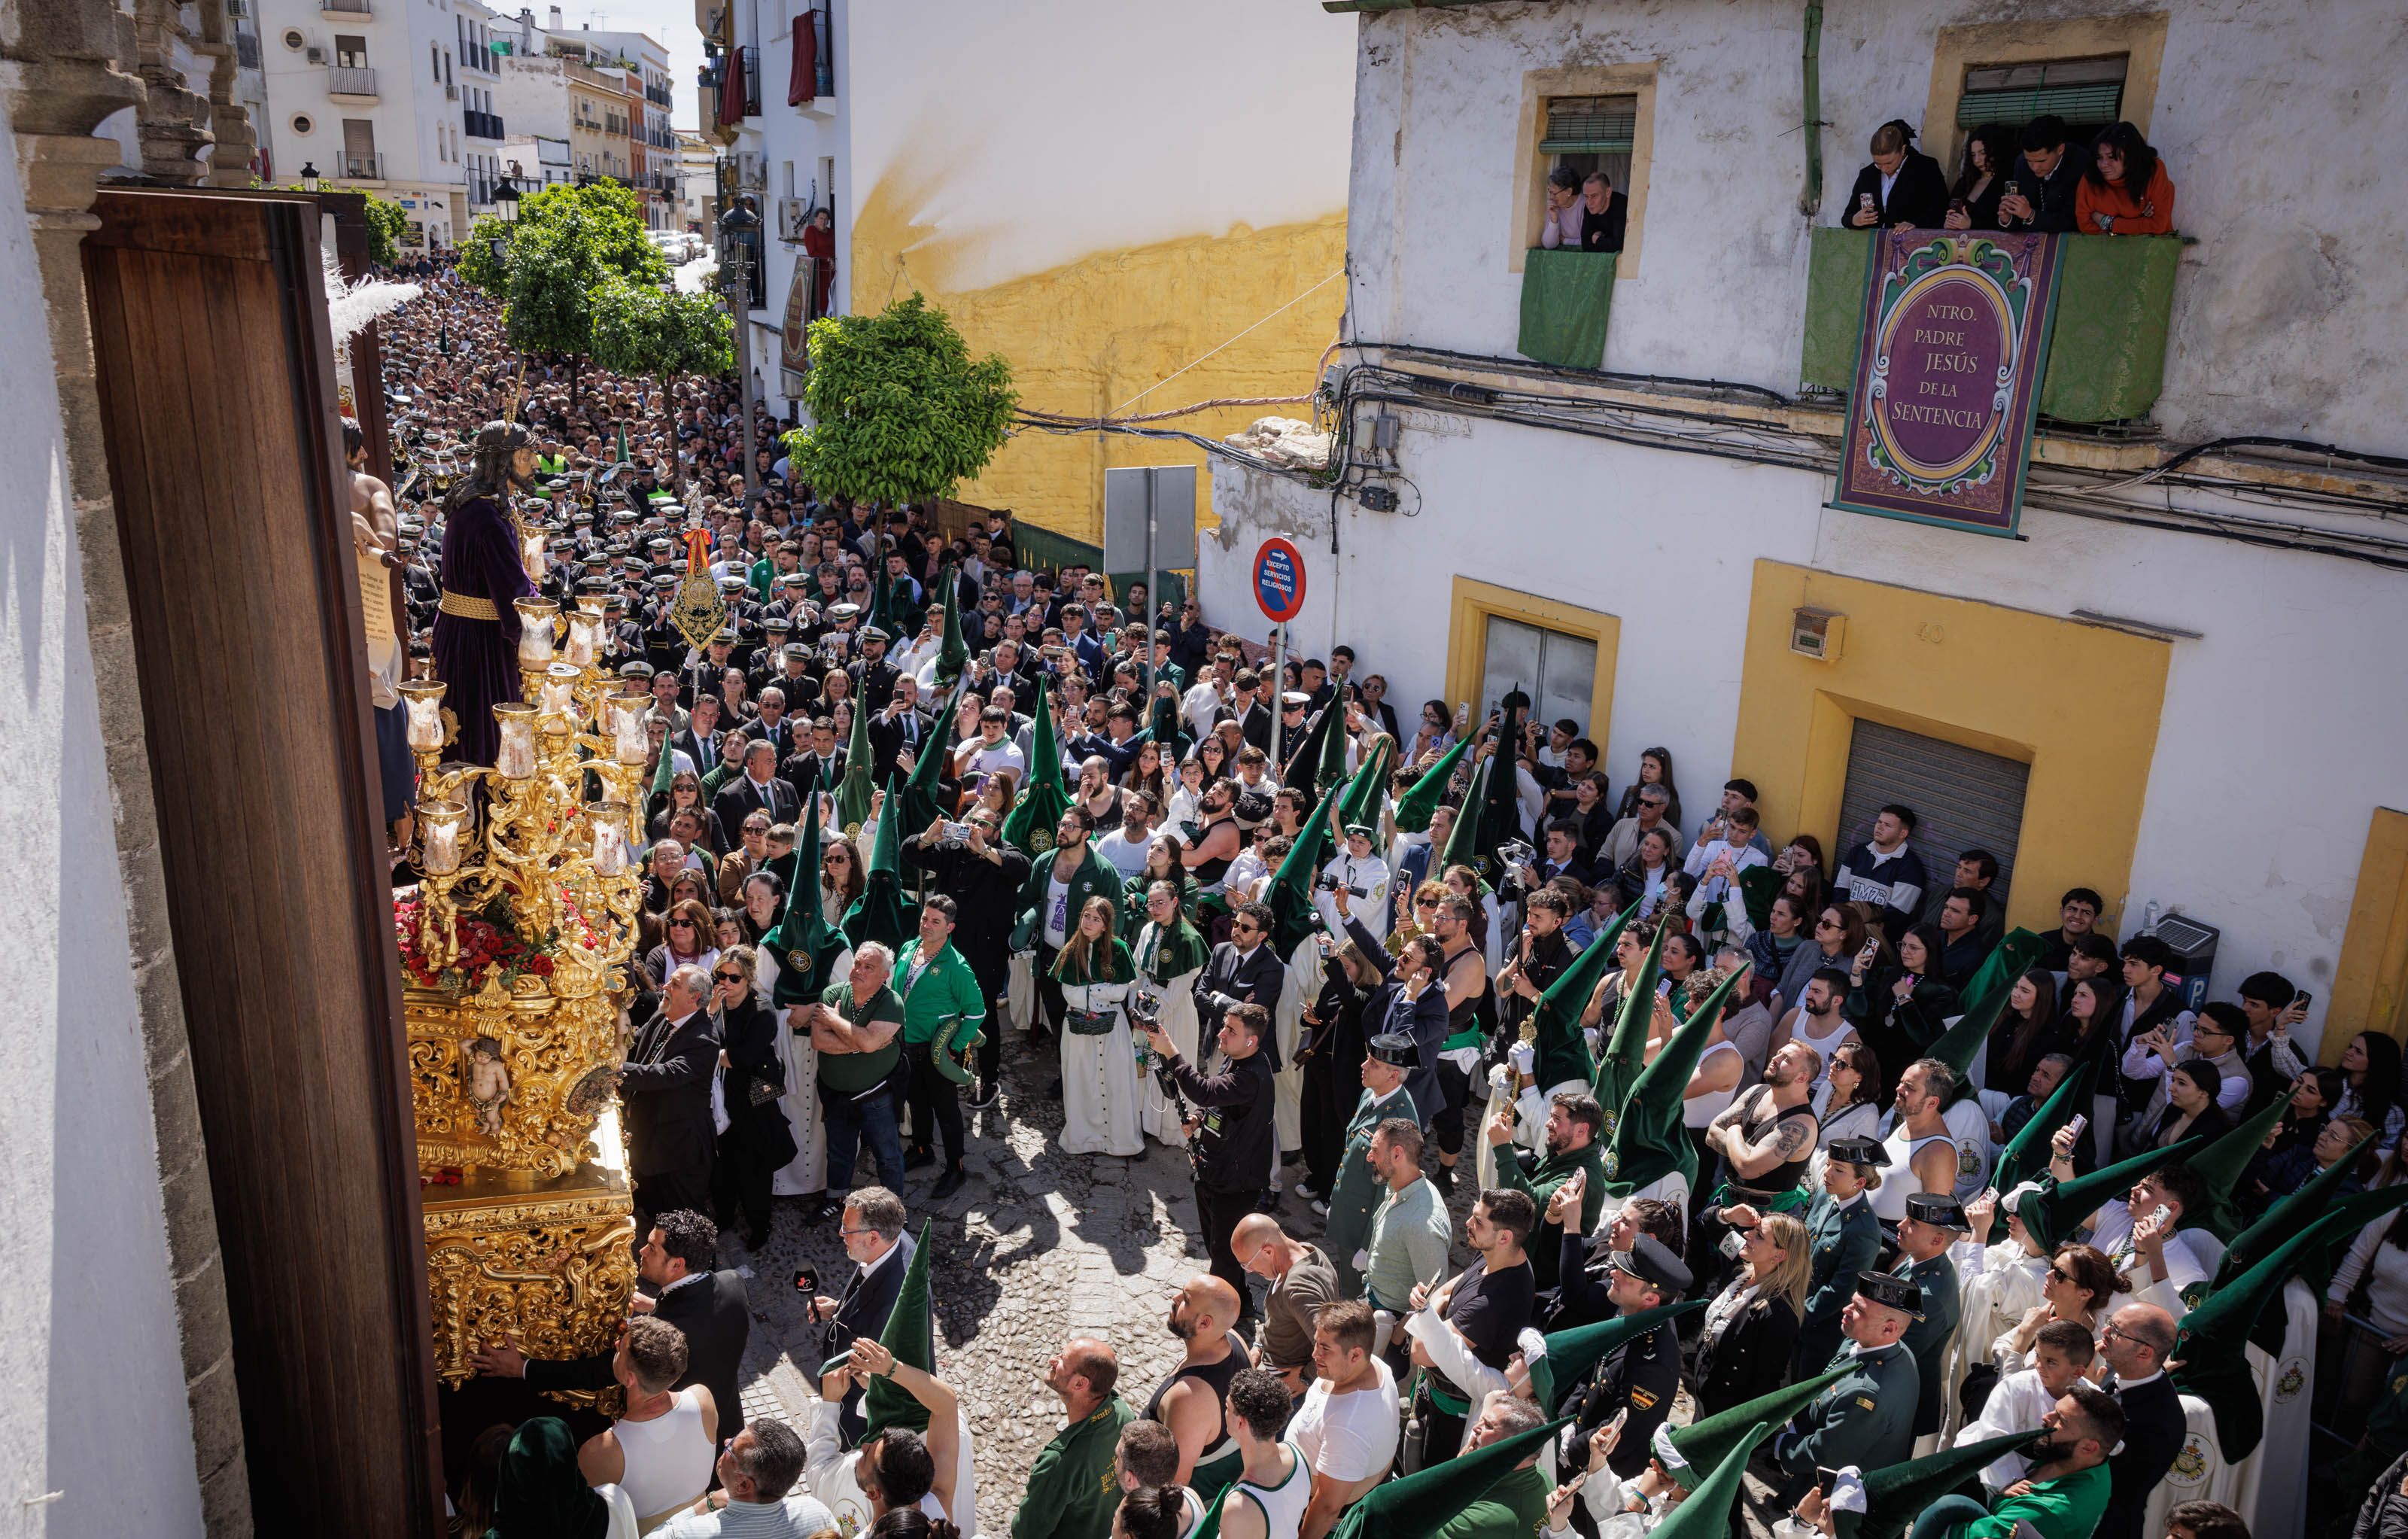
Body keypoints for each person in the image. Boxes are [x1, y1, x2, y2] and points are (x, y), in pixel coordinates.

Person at [484, 1209, 751, 1446]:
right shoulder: (734, 1284)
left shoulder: (660, 1335)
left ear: (677, 1264)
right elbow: (703, 1316)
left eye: (652, 1249)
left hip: (679, 1438)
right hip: (728, 1421)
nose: (642, 1252)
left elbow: (596, 1373)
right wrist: (656, 1304)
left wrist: (522, 1368)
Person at [1145, 1003, 1278, 1301]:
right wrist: (1200, 1118)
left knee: (1225, 1254)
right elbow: (1218, 1100)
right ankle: (1240, 1300)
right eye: (1224, 1025)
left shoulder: (1252, 1075)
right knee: (1215, 1244)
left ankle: (1223, 1319)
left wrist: (1171, 1051)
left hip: (1236, 1181)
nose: (1221, 1033)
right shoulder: (1236, 1059)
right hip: (1214, 1169)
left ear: (1251, 1040)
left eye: (1231, 1030)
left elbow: (1205, 1090)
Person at [430, 419, 542, 767]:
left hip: (456, 634)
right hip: (482, 649)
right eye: (527, 456)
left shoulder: (470, 506)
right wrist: (544, 625)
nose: (536, 464)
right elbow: (516, 602)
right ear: (504, 460)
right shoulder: (489, 520)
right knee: (486, 742)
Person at [1886, 1384, 2122, 1539]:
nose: (2046, 1418)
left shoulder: (2046, 1514)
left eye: (2061, 1420)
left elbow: (1956, 1535)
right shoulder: (2087, 1460)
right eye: (2054, 1409)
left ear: (2088, 1447)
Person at [1406, 1188, 1537, 1462]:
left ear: (1504, 1237)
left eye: (1478, 1221)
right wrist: (1435, 1310)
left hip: (1453, 1413)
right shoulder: (1496, 1254)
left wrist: (1428, 1313)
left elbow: (1421, 1353)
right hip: (1436, 1392)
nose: (1468, 1224)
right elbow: (1445, 1293)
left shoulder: (1492, 1303)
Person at [1772, 1270, 1923, 1492]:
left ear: (1889, 1328)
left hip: (1835, 1498)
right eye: (1852, 1302)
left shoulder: (1868, 1392)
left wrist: (1779, 1446)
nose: (1846, 1309)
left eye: (1859, 1309)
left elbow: (1826, 1454)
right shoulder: (1876, 1344)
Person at [1556, 1235, 1692, 1478]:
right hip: (1580, 1442)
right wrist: (1566, 1420)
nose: (1612, 1275)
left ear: (1650, 1298)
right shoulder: (1632, 1310)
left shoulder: (1653, 1364)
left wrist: (1572, 1450)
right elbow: (1595, 1367)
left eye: (1625, 1276)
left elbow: (1621, 1432)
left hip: (1600, 1474)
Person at [576, 1315, 720, 1530]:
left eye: (620, 1349)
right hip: (705, 1526)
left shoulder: (601, 1451)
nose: (616, 1344)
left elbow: (580, 1512)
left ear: (630, 1379)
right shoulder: (703, 1400)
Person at [806, 1186, 919, 1443]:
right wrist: (838, 1309)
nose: (840, 1233)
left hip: (855, 1412)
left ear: (873, 1237)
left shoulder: (892, 1300)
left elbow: (882, 1379)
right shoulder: (891, 1244)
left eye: (847, 1229)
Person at [893, 894, 988, 1196]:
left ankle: (955, 1168)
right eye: (924, 918)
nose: (927, 925)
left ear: (950, 927)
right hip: (907, 1044)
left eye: (935, 921)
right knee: (917, 1102)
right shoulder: (909, 948)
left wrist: (955, 1046)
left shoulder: (957, 966)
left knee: (946, 1111)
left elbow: (977, 1011)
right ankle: (922, 1149)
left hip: (937, 1052)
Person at [1289, 1301, 1400, 1539]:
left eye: (1325, 1349)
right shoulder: (1376, 1365)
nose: (1315, 1354)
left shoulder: (1349, 1425)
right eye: (1316, 1344)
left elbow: (1328, 1506)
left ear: (1355, 1354)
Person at [809, 942, 908, 1206]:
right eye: (857, 964)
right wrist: (863, 1043)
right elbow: (819, 1042)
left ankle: (893, 1210)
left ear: (884, 975)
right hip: (835, 1093)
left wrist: (834, 1021)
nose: (858, 970)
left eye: (868, 967)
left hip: (876, 1094)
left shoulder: (891, 1002)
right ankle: (835, 1202)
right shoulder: (832, 994)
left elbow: (867, 1043)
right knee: (839, 1152)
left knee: (887, 1154)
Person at [710, 947, 794, 1252]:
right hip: (720, 1095)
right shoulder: (714, 1006)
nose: (726, 983)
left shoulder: (762, 1011)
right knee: (722, 1163)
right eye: (721, 975)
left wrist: (709, 1053)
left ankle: (760, 1224)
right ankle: (724, 1216)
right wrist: (709, 1013)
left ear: (748, 980)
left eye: (735, 978)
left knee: (753, 1167)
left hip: (751, 1098)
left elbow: (743, 1057)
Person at [625, 965, 723, 1220]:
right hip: (651, 1141)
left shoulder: (704, 1039)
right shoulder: (662, 1017)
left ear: (695, 997)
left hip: (680, 1149)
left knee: (685, 1222)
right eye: (669, 982)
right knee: (657, 1213)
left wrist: (616, 1071)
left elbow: (668, 1073)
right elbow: (633, 1046)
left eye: (675, 984)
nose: (665, 987)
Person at [1482, 1090, 1607, 1291]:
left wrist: (1503, 1147)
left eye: (1557, 1119)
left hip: (1532, 1281)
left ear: (1582, 1130)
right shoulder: (1564, 1152)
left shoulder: (1582, 1177)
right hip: (1517, 1263)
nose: (1549, 1124)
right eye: (1551, 1116)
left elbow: (1527, 1203)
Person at [1015, 1339, 1139, 1539]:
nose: (1052, 1360)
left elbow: (1026, 1532)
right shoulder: (1123, 1414)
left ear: (1080, 1383)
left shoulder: (1059, 1462)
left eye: (1062, 1359)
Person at [1145, 1276, 1254, 1498]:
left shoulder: (1189, 1397)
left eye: (1185, 1299)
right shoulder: (1233, 1338)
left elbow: (1176, 1482)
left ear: (1205, 1323)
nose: (1175, 1299)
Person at [1056, 894, 1146, 1159]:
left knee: (1117, 1081)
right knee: (1082, 1081)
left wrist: (1090, 990)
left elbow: (1120, 992)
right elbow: (1069, 993)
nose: (1089, 922)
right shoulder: (1072, 950)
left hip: (1112, 1026)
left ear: (1106, 925)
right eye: (1086, 916)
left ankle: (1123, 1141)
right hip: (1078, 1028)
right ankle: (1085, 1139)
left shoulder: (1119, 950)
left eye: (1096, 919)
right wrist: (1100, 992)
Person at [1695, 1210, 1810, 1415]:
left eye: (1759, 1235)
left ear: (1779, 1255)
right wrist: (1729, 1214)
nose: (1747, 1235)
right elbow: (1711, 1223)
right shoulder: (1741, 1267)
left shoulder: (1778, 1314)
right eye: (1752, 1230)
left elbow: (1765, 1386)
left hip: (1724, 1414)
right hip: (1704, 1391)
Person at [2094, 1304, 2184, 1539]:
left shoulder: (2158, 1423)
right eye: (2110, 1323)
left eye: (2116, 1331)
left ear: (2144, 1353)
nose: (2105, 1332)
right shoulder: (2125, 1370)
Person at [660, 1419, 832, 1537]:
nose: (726, 1441)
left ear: (743, 1485)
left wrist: (707, 1503)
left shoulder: (691, 1533)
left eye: (732, 1449)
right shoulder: (817, 1514)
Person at [1233, 1215, 1341, 1395]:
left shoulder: (1299, 1287)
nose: (1249, 1271)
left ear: (1268, 1251)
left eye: (1247, 1264)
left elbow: (1333, 1347)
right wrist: (1261, 1346)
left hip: (1290, 1389)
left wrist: (1305, 1378)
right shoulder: (1308, 1251)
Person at [1892, 1193, 1968, 1440]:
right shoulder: (1921, 1261)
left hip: (1900, 1400)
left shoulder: (1930, 1296)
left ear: (1937, 1239)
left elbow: (1898, 1352)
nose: (1901, 1225)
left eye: (1913, 1223)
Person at [1362, 1118, 1455, 1315]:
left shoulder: (1422, 1225)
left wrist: (1397, 1338)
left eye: (1376, 1150)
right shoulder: (1400, 1184)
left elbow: (1433, 1299)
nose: (1370, 1157)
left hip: (1390, 1318)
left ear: (1397, 1154)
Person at [1216, 1368, 1307, 1539]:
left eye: (1227, 1406)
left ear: (1241, 1423)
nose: (1225, 1411)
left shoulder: (1238, 1507)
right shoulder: (1298, 1455)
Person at [1835, 805, 1927, 941]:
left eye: (1888, 825)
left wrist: (1858, 927)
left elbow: (1897, 914)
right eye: (1879, 822)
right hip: (1844, 928)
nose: (1879, 827)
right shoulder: (1857, 852)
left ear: (1903, 833)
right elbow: (1839, 893)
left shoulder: (1912, 868)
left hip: (1876, 939)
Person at [1843, 119, 1948, 230]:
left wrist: (1915, 224)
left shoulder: (1925, 168)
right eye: (1878, 163)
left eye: (1889, 163)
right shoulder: (1867, 174)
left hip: (1912, 243)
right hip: (1873, 244)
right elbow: (1847, 217)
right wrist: (1855, 220)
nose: (1883, 169)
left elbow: (1940, 211)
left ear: (1903, 150)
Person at [1998, 113, 2094, 234]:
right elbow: (2017, 223)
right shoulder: (2022, 164)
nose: (2035, 167)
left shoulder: (2081, 164)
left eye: (2041, 161)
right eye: (2029, 161)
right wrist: (2008, 218)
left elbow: (2071, 221)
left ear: (2060, 149)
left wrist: (2031, 215)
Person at [2078, 121, 2176, 236]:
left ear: (2130, 156)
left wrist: (2108, 222)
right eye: (2099, 157)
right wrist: (2140, 221)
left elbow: (2159, 225)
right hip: (2106, 251)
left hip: (2151, 250)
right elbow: (2085, 226)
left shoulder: (2153, 171)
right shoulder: (2091, 177)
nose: (2104, 164)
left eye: (2111, 157)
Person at [1944, 122, 2017, 231]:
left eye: (1983, 153)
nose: (1977, 160)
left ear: (1996, 150)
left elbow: (2012, 224)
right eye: (1973, 155)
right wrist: (1948, 223)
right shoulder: (1964, 183)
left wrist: (1971, 225)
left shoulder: (2009, 183)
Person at [1536, 163, 1583, 249]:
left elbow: (1589, 243)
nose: (1551, 197)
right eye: (1550, 192)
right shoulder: (1555, 207)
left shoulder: (1585, 205)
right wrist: (1554, 219)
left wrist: (1564, 240)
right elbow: (1549, 245)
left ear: (1569, 191)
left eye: (1554, 193)